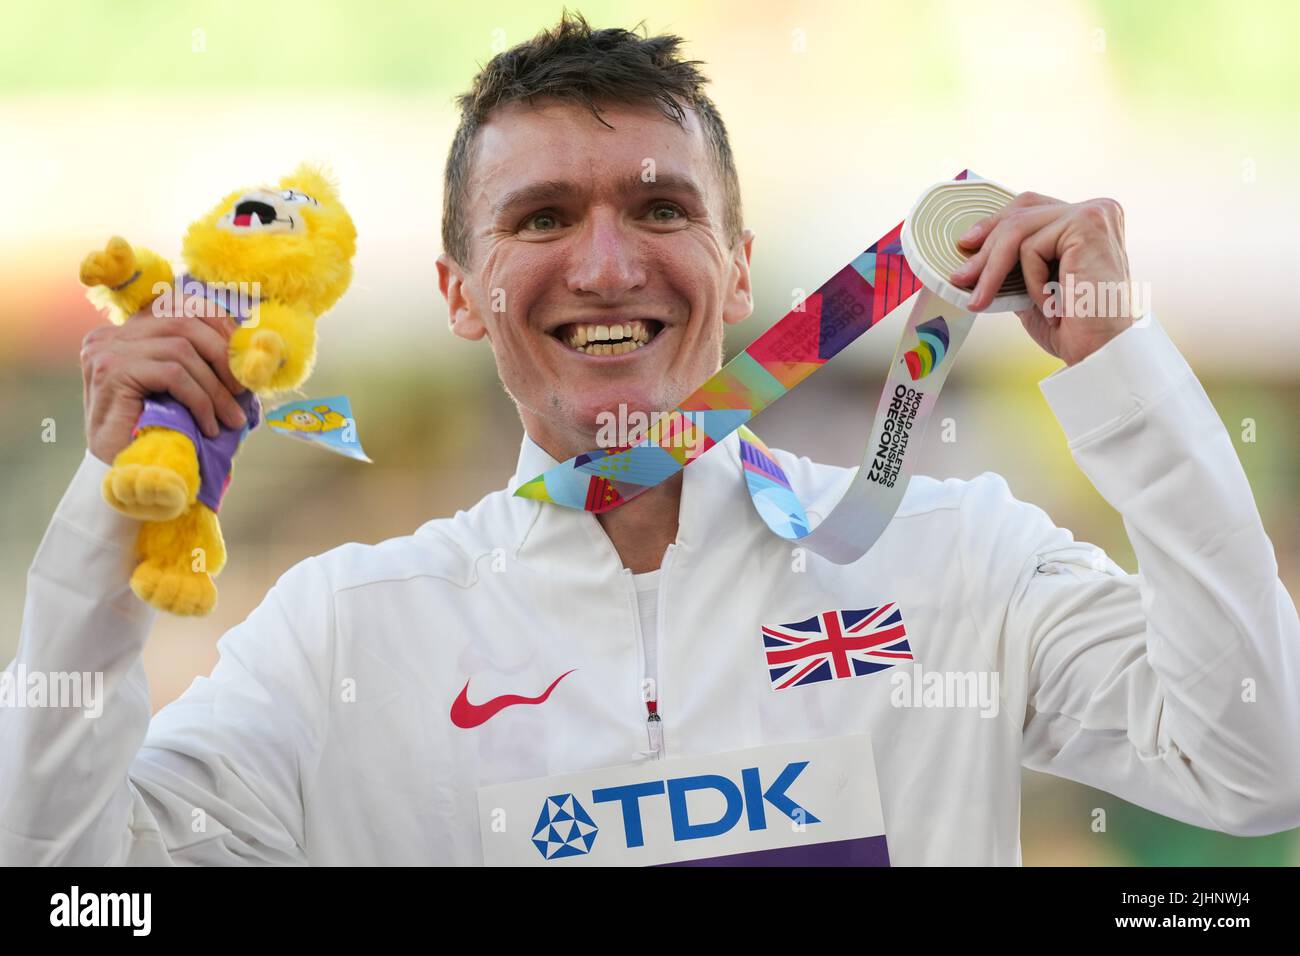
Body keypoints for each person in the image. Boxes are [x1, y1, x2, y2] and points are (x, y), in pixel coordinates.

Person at [2, 12, 1297, 866]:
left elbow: (1261, 764)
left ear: (737, 272)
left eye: (660, 207)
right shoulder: (347, 633)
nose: (609, 263)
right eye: (545, 216)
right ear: (460, 288)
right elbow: (72, 887)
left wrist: (1126, 376)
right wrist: (104, 526)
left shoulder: (957, 559)